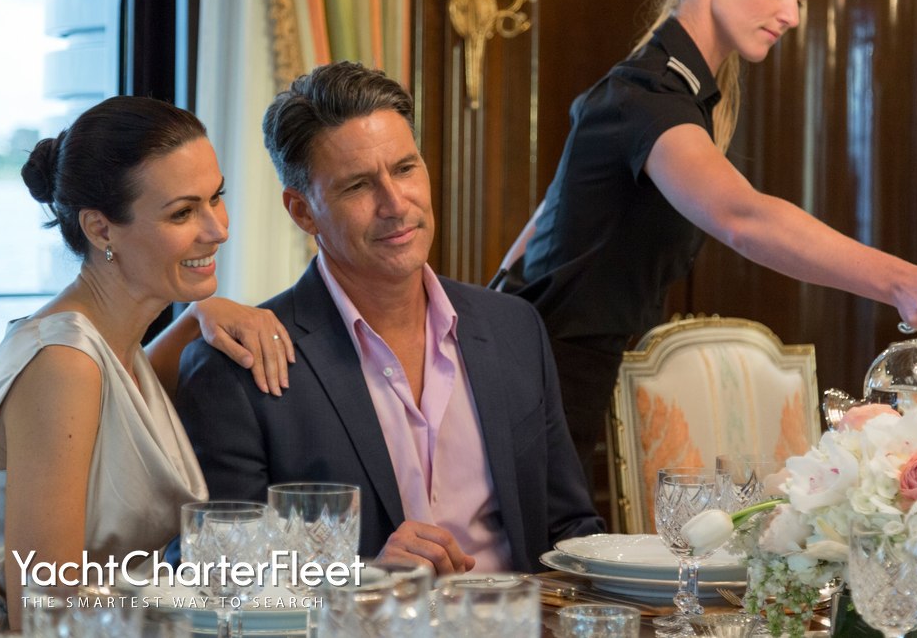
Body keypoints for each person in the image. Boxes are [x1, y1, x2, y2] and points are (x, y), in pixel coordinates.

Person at [493, 0, 917, 478]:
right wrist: (903, 282)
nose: (792, 15)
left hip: (570, 376)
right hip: (539, 380)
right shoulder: (645, 95)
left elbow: (546, 217)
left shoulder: (677, 96)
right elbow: (744, 217)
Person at [176, 61, 603, 576]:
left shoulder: (515, 328)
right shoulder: (237, 366)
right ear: (302, 212)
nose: (395, 204)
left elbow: (570, 530)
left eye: (405, 169)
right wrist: (363, 576)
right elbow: (219, 573)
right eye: (358, 185)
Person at [0, 97, 292, 637]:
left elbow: (124, 421)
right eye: (182, 213)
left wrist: (197, 318)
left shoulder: (113, 344)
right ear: (101, 229)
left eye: (216, 198)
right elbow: (44, 611)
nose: (217, 229)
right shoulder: (62, 364)